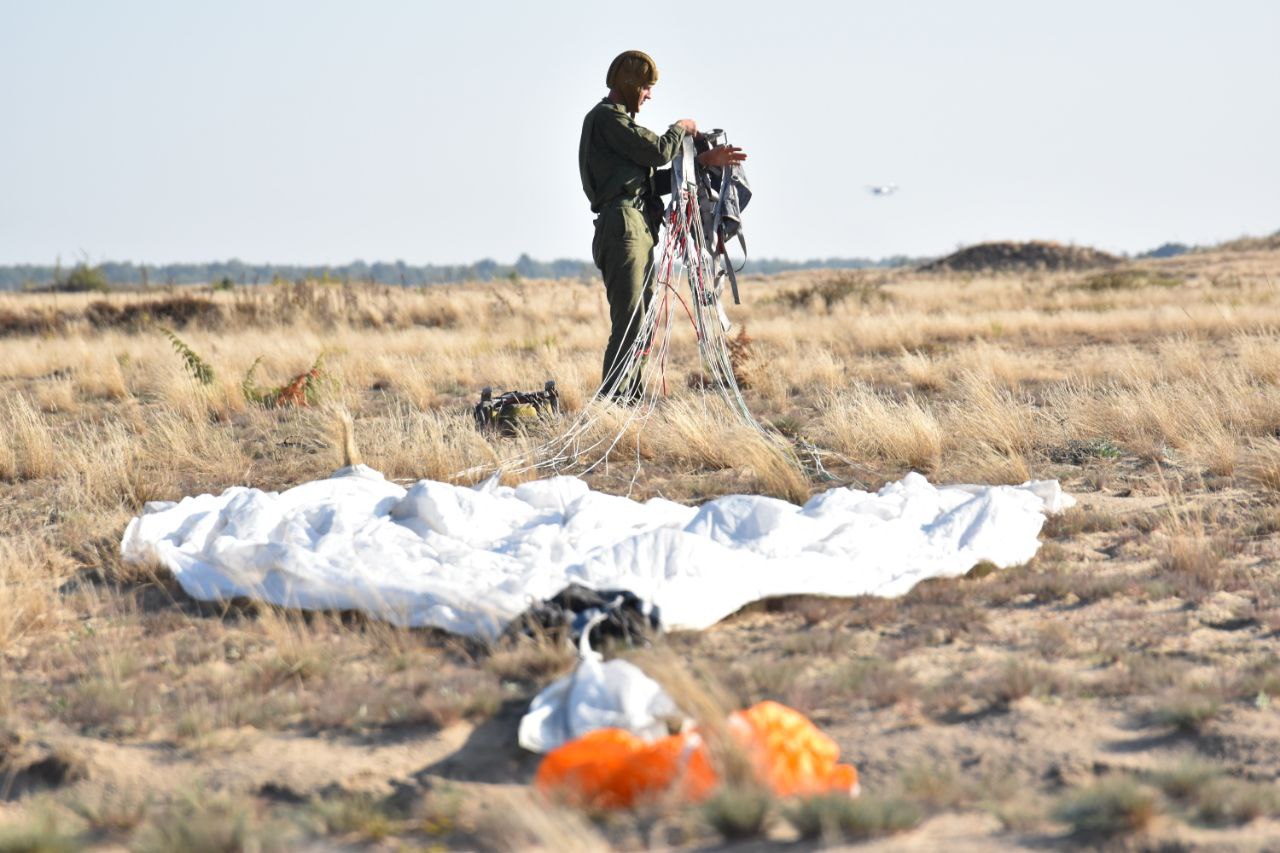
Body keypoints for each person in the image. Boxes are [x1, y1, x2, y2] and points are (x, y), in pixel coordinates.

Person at [578, 50, 747, 402]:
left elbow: (652, 183)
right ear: (629, 85)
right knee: (629, 322)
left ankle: (631, 398)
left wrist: (701, 161)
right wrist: (680, 128)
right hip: (623, 226)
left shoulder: (620, 126)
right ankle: (611, 403)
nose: (649, 95)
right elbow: (657, 152)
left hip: (638, 225)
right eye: (645, 87)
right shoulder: (608, 120)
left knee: (644, 322)